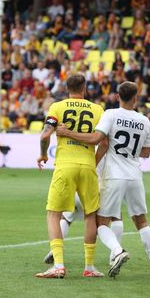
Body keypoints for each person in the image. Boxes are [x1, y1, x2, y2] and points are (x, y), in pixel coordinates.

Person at [56, 81, 150, 279]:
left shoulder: (111, 114)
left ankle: (117, 251)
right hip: (135, 175)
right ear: (136, 98)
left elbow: (97, 139)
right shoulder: (144, 120)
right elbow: (146, 152)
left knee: (102, 223)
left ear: (117, 97)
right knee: (142, 222)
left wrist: (68, 133)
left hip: (114, 175)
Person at [35, 74, 104, 279]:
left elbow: (45, 135)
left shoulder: (57, 107)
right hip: (87, 166)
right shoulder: (97, 109)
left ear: (67, 88)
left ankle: (58, 265)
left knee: (53, 214)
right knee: (90, 215)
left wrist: (43, 154)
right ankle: (89, 267)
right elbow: (103, 141)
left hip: (65, 166)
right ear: (84, 88)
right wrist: (92, 162)